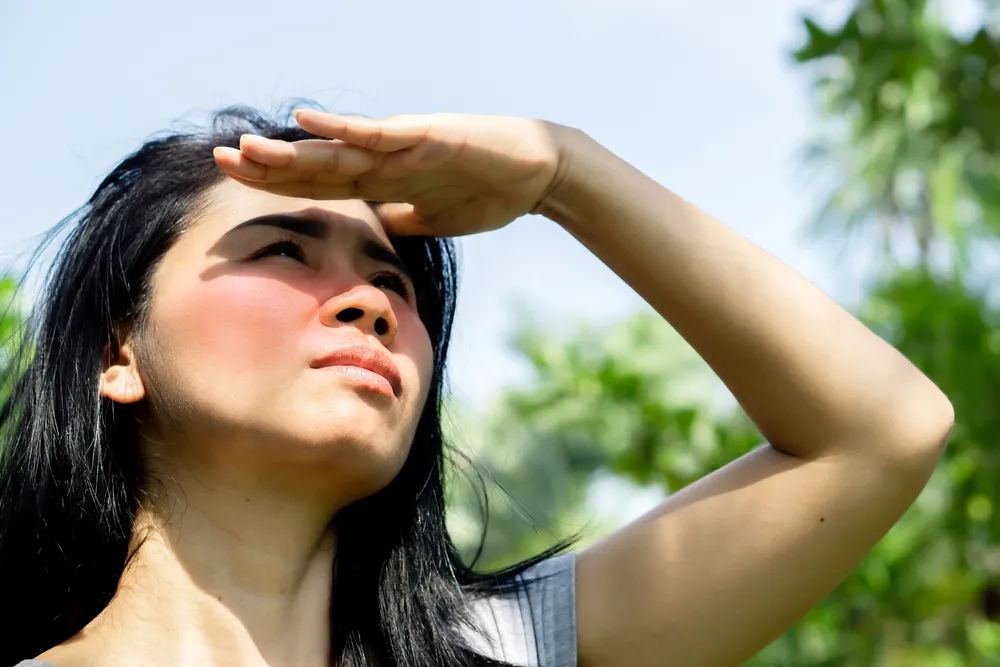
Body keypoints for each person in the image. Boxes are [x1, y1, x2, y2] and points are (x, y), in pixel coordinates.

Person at [0, 105, 953, 667]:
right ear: (117, 350)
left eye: (393, 282)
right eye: (285, 249)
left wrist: (562, 171)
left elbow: (882, 431)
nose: (368, 305)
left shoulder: (507, 649)